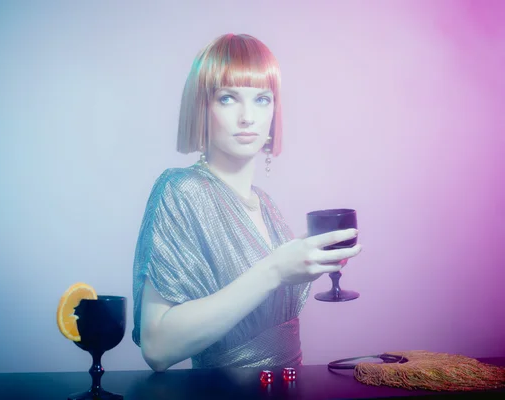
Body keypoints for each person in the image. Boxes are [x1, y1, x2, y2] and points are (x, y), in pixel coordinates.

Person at [131, 33, 361, 372]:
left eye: (262, 100)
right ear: (202, 107)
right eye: (228, 99)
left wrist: (302, 262)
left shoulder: (266, 206)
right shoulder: (180, 190)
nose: (247, 117)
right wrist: (274, 270)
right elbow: (157, 347)